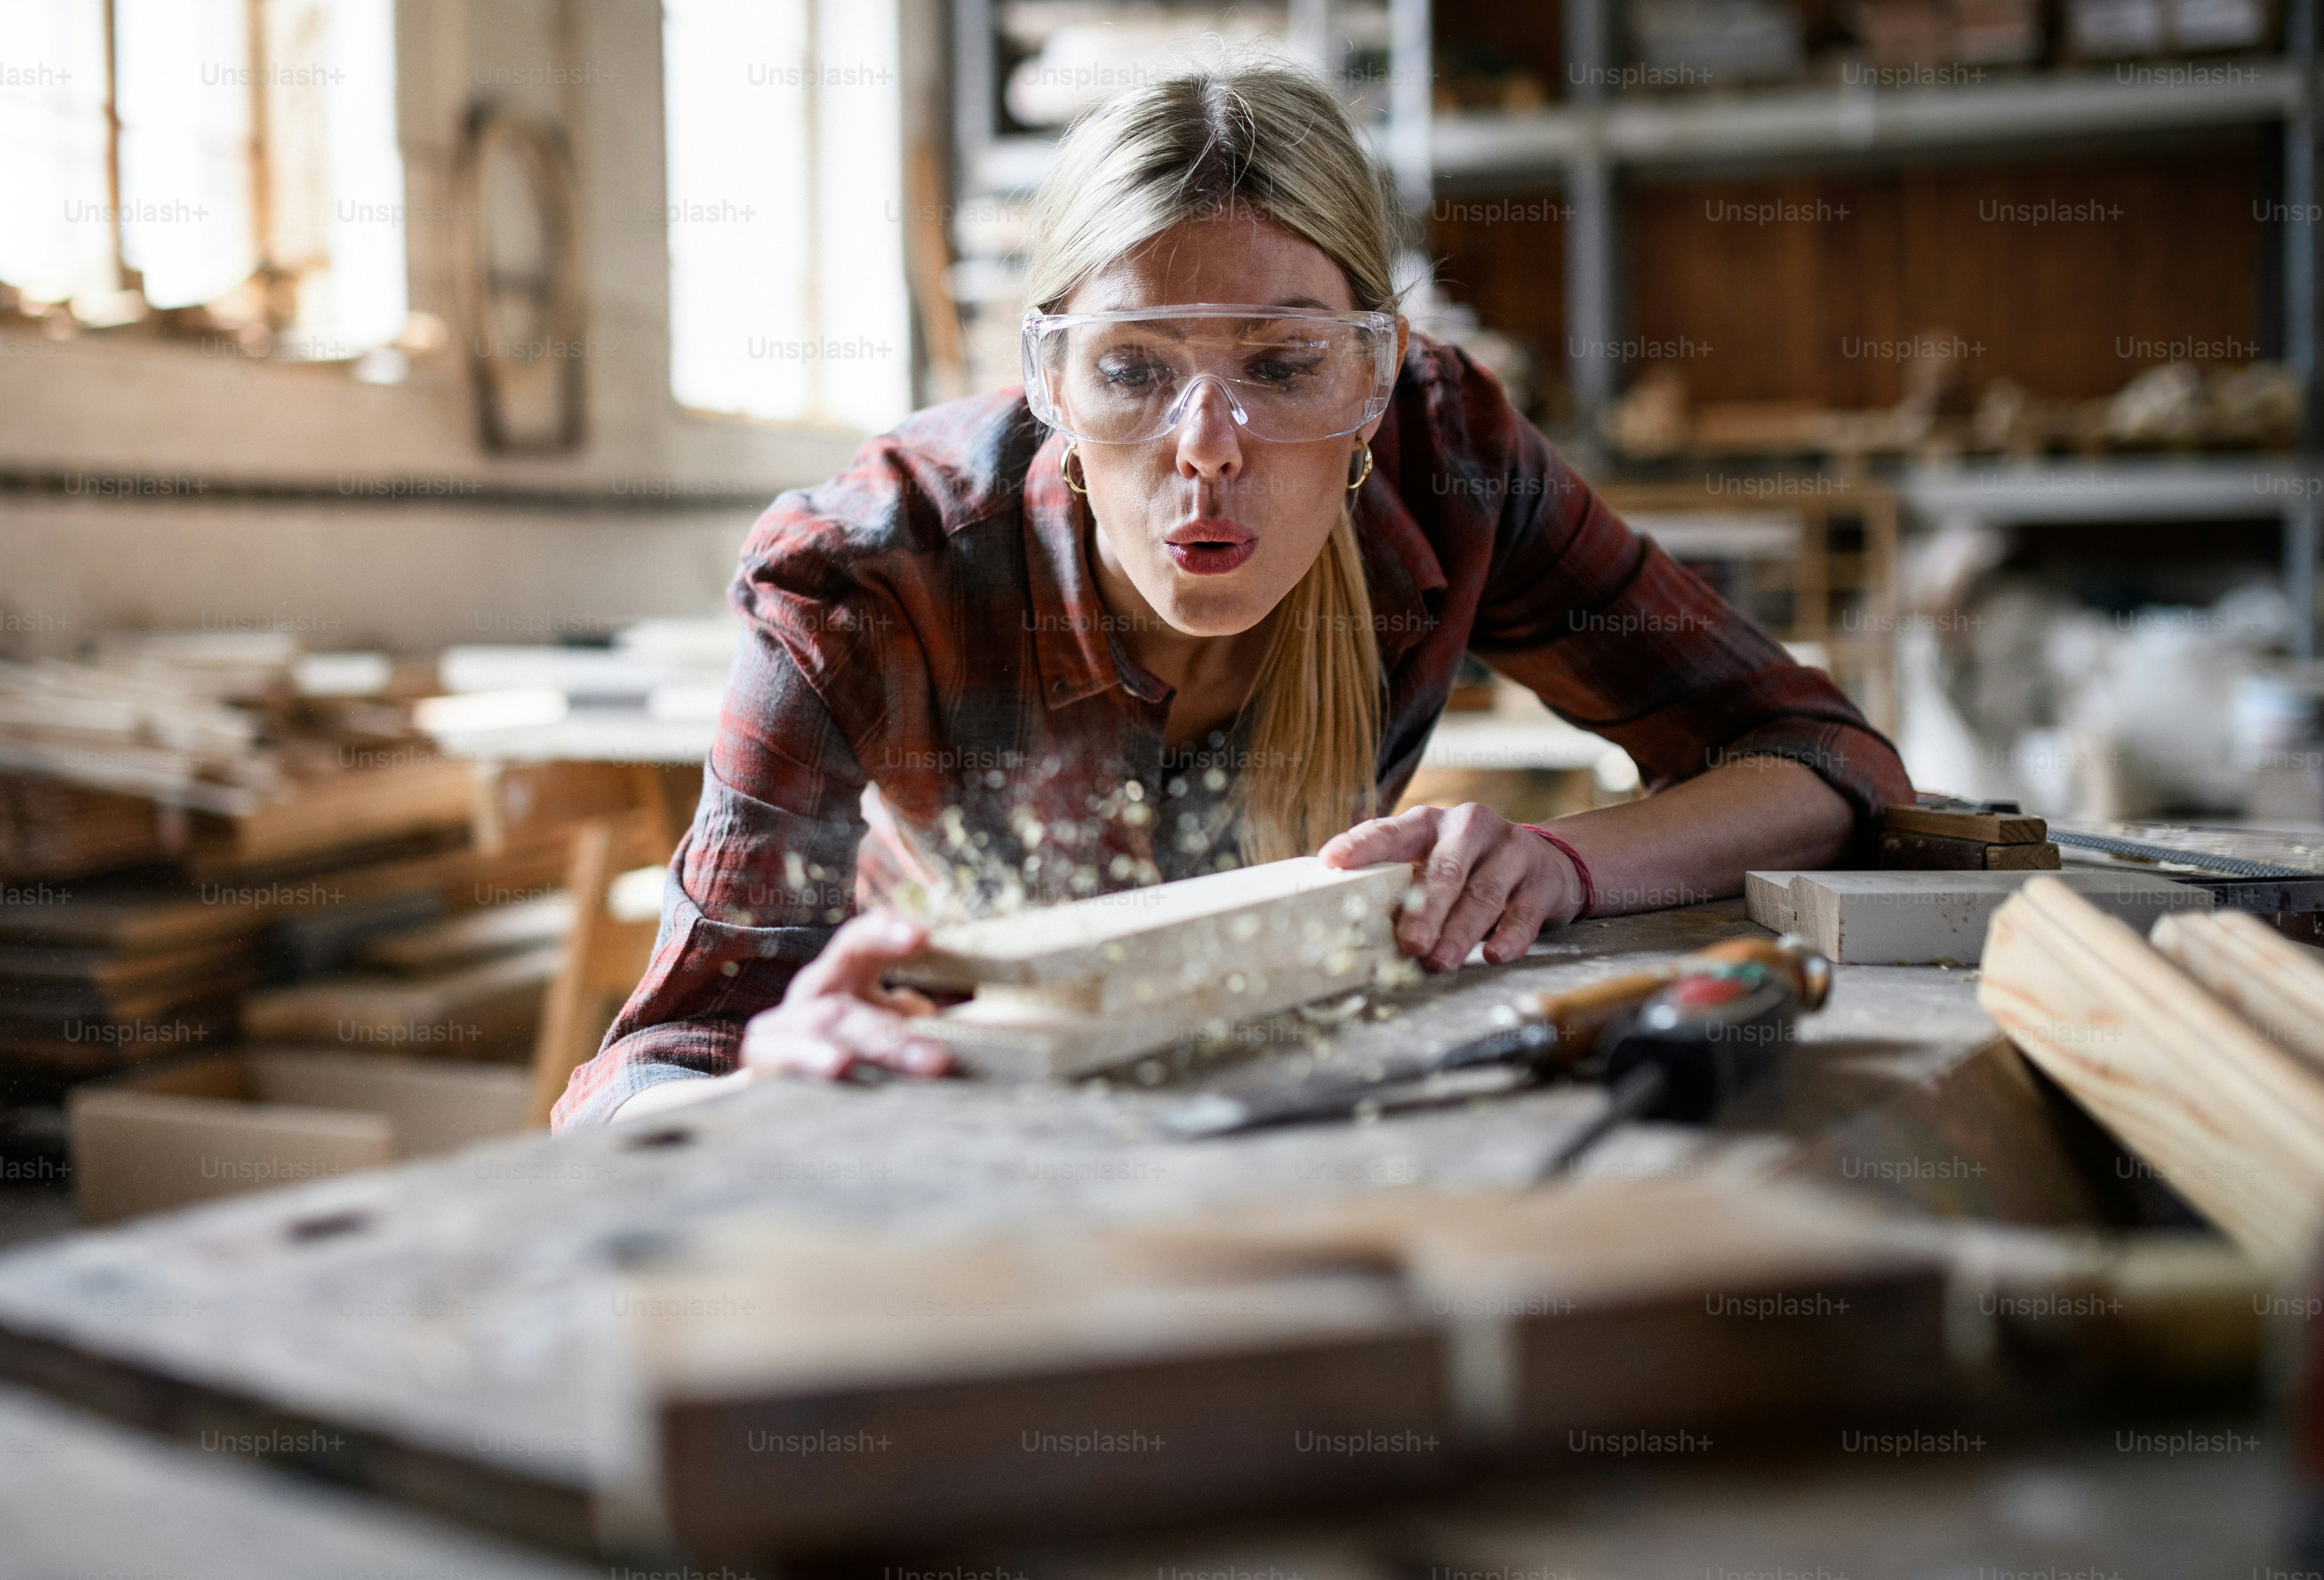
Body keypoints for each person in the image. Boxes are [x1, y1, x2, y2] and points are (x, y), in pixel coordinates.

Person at [553, 62, 1908, 1128]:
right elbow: (644, 1069)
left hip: (1302, 1079)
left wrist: (1560, 864)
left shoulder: (1450, 463)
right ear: (1053, 389)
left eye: (1282, 364)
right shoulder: (868, 575)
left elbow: (1825, 758)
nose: (1210, 448)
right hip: (959, 1113)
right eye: (1135, 369)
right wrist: (761, 1086)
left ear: (1375, 379)